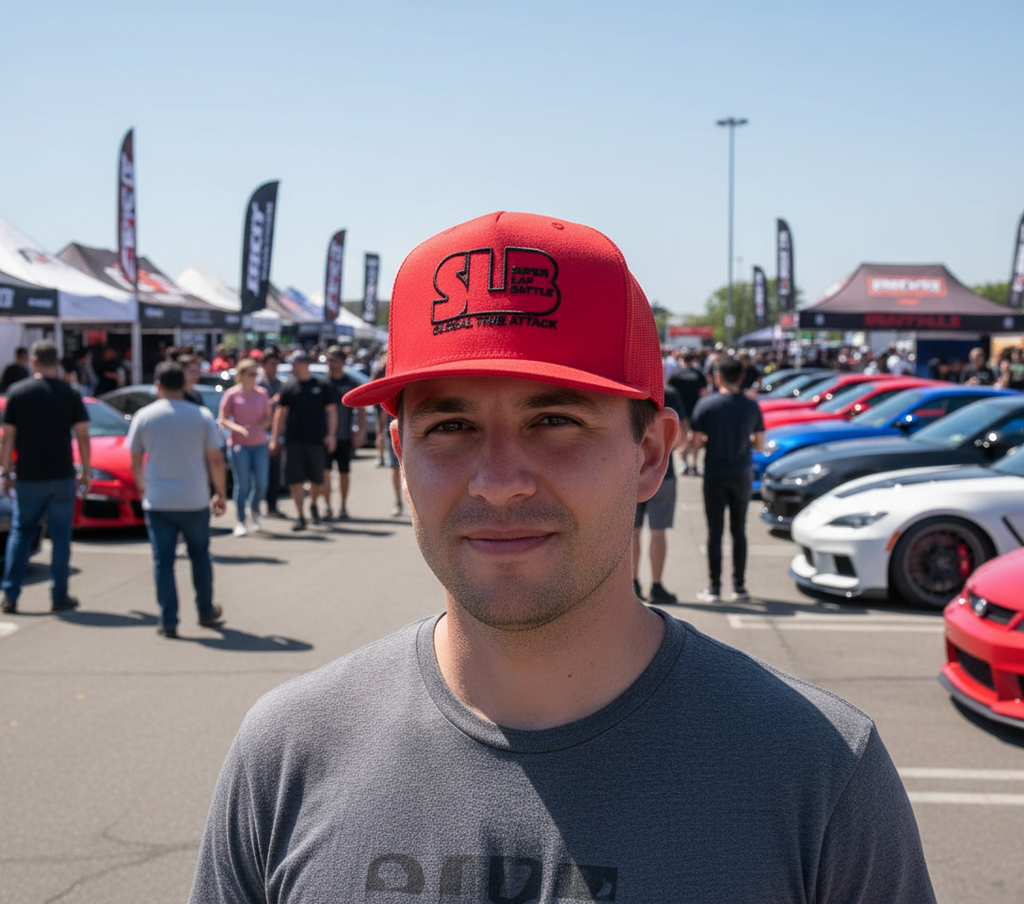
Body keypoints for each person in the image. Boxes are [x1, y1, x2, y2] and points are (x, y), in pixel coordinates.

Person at [190, 212, 935, 902]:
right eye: (450, 426)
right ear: (401, 458)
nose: (498, 481)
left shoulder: (818, 772)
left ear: (651, 455)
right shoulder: (288, 755)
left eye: (554, 420)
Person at [127, 362, 227, 638]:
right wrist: (220, 492)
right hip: (194, 498)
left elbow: (134, 458)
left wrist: (142, 488)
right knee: (200, 555)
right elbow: (215, 460)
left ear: (157, 386)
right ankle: (205, 609)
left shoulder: (144, 416)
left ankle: (168, 619)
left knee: (163, 562)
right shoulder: (201, 415)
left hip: (158, 500)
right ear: (183, 384)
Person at [0, 341, 90, 613]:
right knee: (61, 537)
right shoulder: (69, 393)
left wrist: (5, 472)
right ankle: (59, 596)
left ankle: (10, 595)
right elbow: (83, 435)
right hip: (61, 475)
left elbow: (7, 438)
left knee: (21, 533)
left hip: (28, 476)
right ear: (58, 363)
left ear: (34, 362)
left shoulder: (18, 392)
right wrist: (86, 470)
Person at [690, 355, 765, 603]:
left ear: (717, 377)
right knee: (739, 530)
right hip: (741, 472)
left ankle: (714, 587)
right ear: (741, 378)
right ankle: (739, 586)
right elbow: (760, 443)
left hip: (715, 472)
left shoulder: (707, 405)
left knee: (715, 531)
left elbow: (696, 442)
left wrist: (707, 440)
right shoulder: (751, 406)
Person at [269, 350, 337, 531]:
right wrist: (275, 438)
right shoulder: (289, 387)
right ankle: (300, 516)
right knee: (295, 479)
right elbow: (280, 413)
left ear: (306, 364)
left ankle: (313, 504)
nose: (294, 366)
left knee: (318, 480)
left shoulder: (321, 385)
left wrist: (331, 435)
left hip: (316, 441)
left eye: (297, 362)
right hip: (294, 442)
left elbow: (331, 411)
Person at [632, 381, 682, 605]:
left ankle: (633, 583)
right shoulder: (669, 393)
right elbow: (681, 438)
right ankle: (657, 585)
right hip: (663, 472)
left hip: (630, 471)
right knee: (658, 531)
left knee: (632, 531)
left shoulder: (630, 389)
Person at [218, 358, 272, 536]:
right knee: (242, 484)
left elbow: (268, 417)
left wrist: (261, 426)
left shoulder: (262, 393)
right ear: (241, 375)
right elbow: (223, 418)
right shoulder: (232, 394)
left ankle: (254, 509)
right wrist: (238, 428)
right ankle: (241, 521)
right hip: (239, 444)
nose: (254, 377)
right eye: (251, 374)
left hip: (259, 444)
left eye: (256, 374)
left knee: (261, 483)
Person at [323, 345, 366, 520]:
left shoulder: (350, 383)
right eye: (329, 360)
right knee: (325, 472)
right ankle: (327, 507)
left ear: (342, 362)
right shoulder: (324, 383)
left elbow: (360, 409)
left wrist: (360, 430)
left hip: (345, 435)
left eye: (334, 360)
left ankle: (342, 506)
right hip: (325, 436)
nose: (331, 364)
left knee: (344, 472)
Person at [667, 350, 707, 474]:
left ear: (682, 360)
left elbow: (670, 392)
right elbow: (704, 393)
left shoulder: (675, 374)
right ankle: (694, 464)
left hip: (680, 410)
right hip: (696, 409)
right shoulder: (698, 374)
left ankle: (683, 462)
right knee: (695, 437)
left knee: (682, 438)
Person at [256, 349, 285, 516]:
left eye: (276, 364)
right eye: (271, 363)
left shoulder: (281, 384)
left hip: (276, 433)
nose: (274, 367)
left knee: (275, 472)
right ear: (263, 365)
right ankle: (254, 506)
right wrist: (272, 401)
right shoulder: (258, 384)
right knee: (258, 473)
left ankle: (272, 506)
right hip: (259, 433)